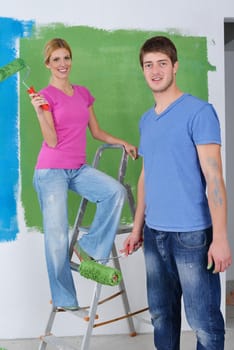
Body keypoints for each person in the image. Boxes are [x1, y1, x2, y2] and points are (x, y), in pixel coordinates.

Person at [121, 36, 232, 350]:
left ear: (175, 66)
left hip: (192, 237)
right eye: (148, 65)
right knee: (162, 318)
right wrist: (138, 227)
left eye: (161, 63)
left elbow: (214, 179)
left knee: (204, 324)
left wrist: (221, 238)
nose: (155, 70)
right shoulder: (147, 119)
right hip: (155, 237)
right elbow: (147, 176)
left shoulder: (199, 112)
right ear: (143, 70)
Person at [30, 38, 137, 313]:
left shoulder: (82, 93)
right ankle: (65, 299)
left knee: (116, 192)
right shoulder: (45, 96)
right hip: (51, 170)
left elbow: (97, 132)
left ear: (71, 60)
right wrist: (40, 113)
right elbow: (52, 141)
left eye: (66, 58)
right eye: (56, 60)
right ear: (48, 64)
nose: (62, 64)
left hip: (78, 168)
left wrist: (122, 141)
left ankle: (87, 246)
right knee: (56, 237)